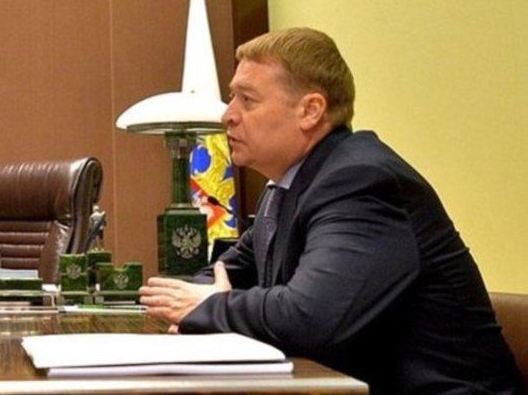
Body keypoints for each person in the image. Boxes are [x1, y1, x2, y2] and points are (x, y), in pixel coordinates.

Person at [138, 27, 524, 394]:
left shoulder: (361, 182)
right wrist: (208, 300)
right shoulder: (286, 187)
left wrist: (214, 307)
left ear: (310, 110)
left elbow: (311, 317)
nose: (228, 115)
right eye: (231, 97)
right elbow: (223, 274)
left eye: (247, 100)